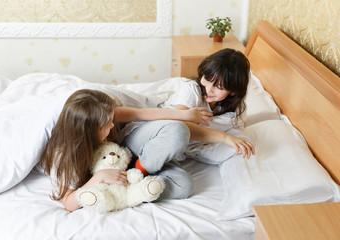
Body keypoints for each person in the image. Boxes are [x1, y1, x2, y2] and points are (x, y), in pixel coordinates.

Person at [40, 88, 212, 212]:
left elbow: (139, 114)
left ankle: (141, 169)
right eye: (107, 125)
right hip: (114, 179)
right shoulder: (64, 155)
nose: (113, 124)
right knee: (184, 186)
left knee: (178, 131)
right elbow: (68, 203)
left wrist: (185, 115)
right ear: (88, 131)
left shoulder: (102, 113)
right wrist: (100, 178)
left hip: (129, 153)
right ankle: (133, 191)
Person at [157, 48, 255, 166]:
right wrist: (225, 137)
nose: (209, 89)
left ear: (233, 91)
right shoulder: (192, 90)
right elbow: (179, 128)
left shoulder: (236, 112)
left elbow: (236, 130)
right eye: (208, 79)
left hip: (195, 147)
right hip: (167, 136)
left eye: (219, 87)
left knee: (244, 146)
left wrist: (232, 140)